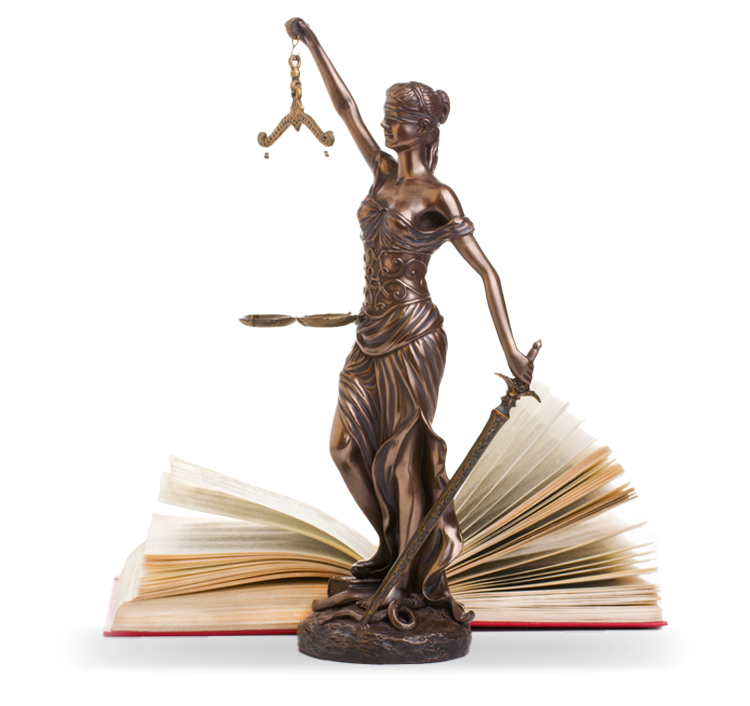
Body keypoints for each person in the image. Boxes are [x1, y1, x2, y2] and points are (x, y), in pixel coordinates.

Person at [286, 19, 535, 622]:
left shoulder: (438, 196)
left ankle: (404, 578)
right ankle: (391, 549)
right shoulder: (380, 172)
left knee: (404, 457)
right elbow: (344, 109)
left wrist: (510, 351)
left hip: (415, 336)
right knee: (345, 447)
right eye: (387, 115)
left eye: (399, 117)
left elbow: (486, 271)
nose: (386, 124)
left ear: (424, 128)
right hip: (369, 333)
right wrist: (313, 45)